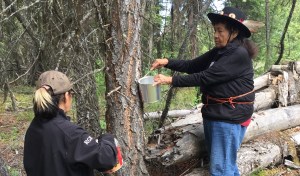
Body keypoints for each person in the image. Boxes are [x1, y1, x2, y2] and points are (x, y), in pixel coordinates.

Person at [150, 7, 258, 176]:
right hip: (217, 114)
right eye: (215, 30)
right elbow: (192, 66)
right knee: (226, 166)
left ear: (234, 32)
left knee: (221, 169)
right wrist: (167, 61)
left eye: (220, 31)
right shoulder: (221, 51)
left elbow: (205, 77)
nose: (216, 35)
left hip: (228, 118)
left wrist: (169, 80)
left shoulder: (238, 54)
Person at [23, 70, 122, 176]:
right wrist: (107, 138)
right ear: (66, 96)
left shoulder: (33, 128)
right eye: (71, 94)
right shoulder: (70, 133)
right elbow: (107, 159)